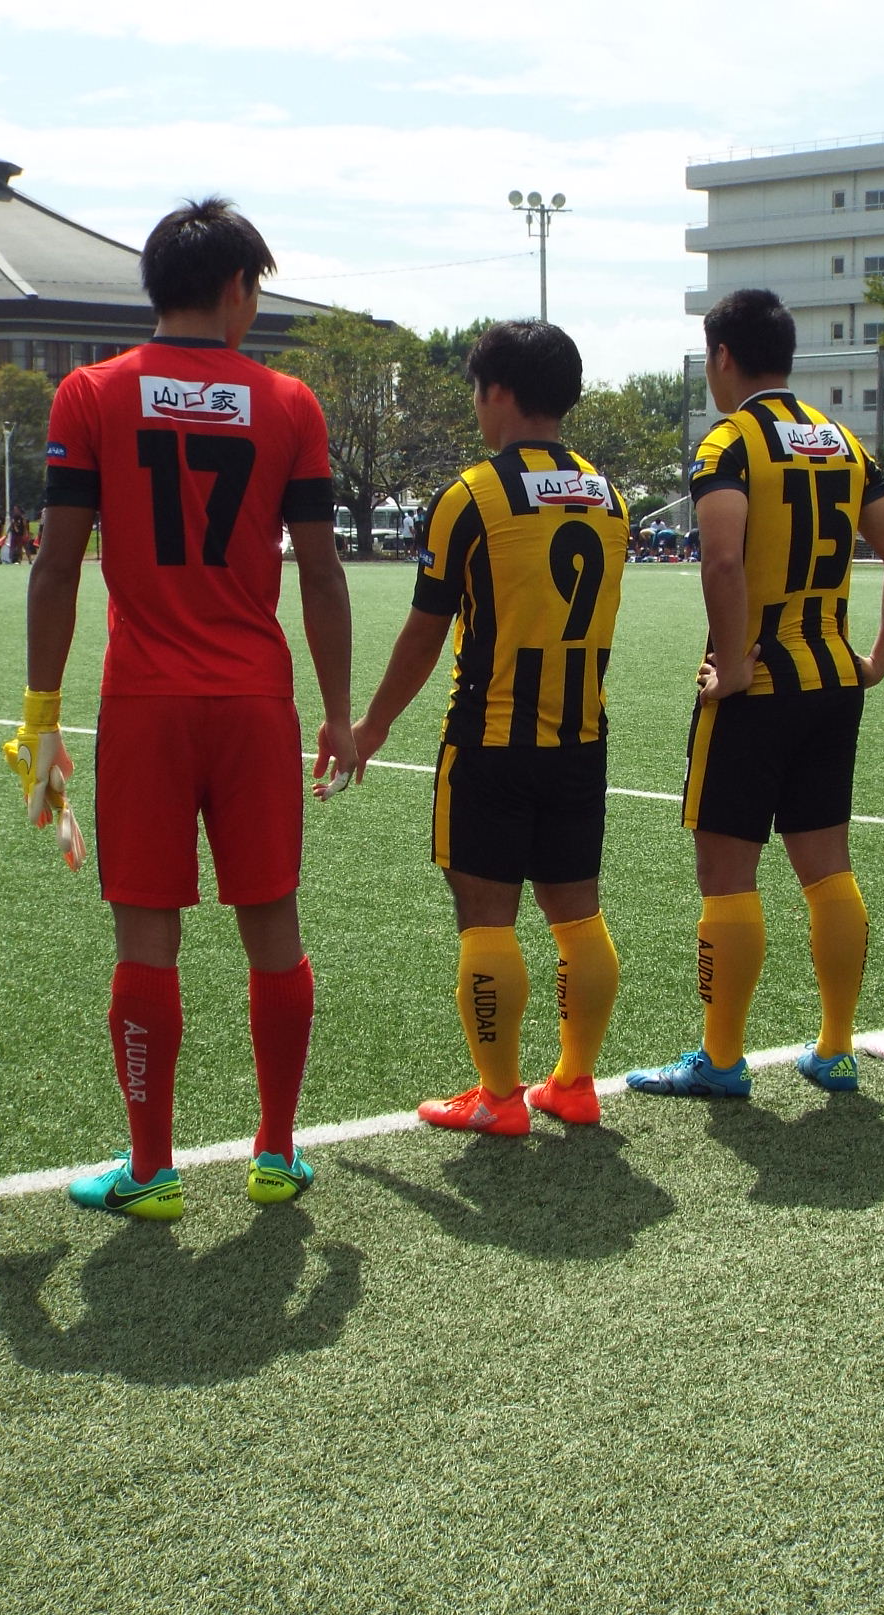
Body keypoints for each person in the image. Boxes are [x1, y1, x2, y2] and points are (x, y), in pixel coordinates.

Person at [16, 196, 355, 1217]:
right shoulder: (289, 403)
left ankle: (152, 1171)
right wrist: (340, 711)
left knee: (144, 935)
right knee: (273, 923)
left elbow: (57, 566)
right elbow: (323, 573)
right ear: (238, 288)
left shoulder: (90, 392)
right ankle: (275, 1154)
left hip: (146, 702)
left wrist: (41, 713)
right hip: (254, 700)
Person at [626, 288, 884, 1098]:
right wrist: (877, 658)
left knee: (728, 875)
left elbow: (724, 559)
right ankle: (834, 1049)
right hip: (831, 677)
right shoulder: (842, 442)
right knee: (828, 871)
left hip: (758, 686)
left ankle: (722, 1060)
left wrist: (732, 664)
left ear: (723, 357)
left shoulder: (729, 440)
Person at [349, 321, 627, 1133]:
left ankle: (500, 1098)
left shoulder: (471, 495)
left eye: (476, 391)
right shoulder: (608, 495)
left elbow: (425, 632)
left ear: (498, 391)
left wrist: (372, 724)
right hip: (579, 741)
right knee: (577, 917)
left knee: (486, 921)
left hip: (491, 742)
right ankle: (574, 1082)